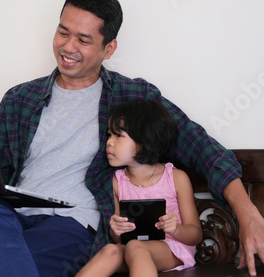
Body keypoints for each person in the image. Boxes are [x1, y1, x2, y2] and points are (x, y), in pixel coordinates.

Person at [0, 0, 264, 276]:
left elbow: (205, 150)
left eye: (84, 40)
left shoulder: (133, 97)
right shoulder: (19, 99)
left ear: (110, 48)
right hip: (11, 219)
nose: (67, 47)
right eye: (63, 32)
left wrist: (249, 215)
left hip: (73, 226)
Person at [76, 99, 203, 277]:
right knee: (111, 250)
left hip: (172, 249)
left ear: (144, 140)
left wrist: (176, 229)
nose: (109, 142)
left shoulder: (175, 177)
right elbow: (120, 239)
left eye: (119, 135)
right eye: (109, 135)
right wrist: (115, 232)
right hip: (131, 248)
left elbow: (195, 235)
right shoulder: (117, 181)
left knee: (136, 247)